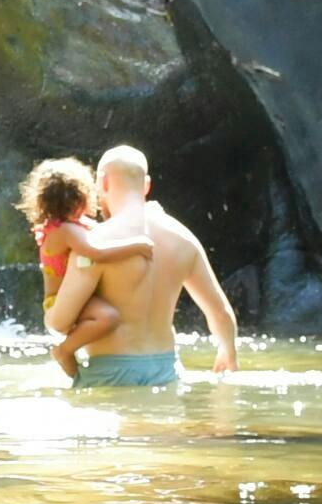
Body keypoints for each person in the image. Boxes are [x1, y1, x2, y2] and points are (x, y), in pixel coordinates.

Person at [46, 144, 238, 388]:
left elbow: (59, 323)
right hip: (167, 373)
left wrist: (50, 299)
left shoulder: (96, 243)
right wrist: (228, 352)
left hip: (108, 375)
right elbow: (220, 313)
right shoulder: (184, 239)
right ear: (146, 185)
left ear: (103, 183)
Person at [16, 154, 153, 381]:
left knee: (81, 379)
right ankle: (64, 350)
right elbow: (96, 253)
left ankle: (78, 382)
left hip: (75, 300)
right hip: (58, 302)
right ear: (80, 198)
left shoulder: (73, 226)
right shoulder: (65, 232)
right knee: (108, 316)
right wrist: (137, 246)